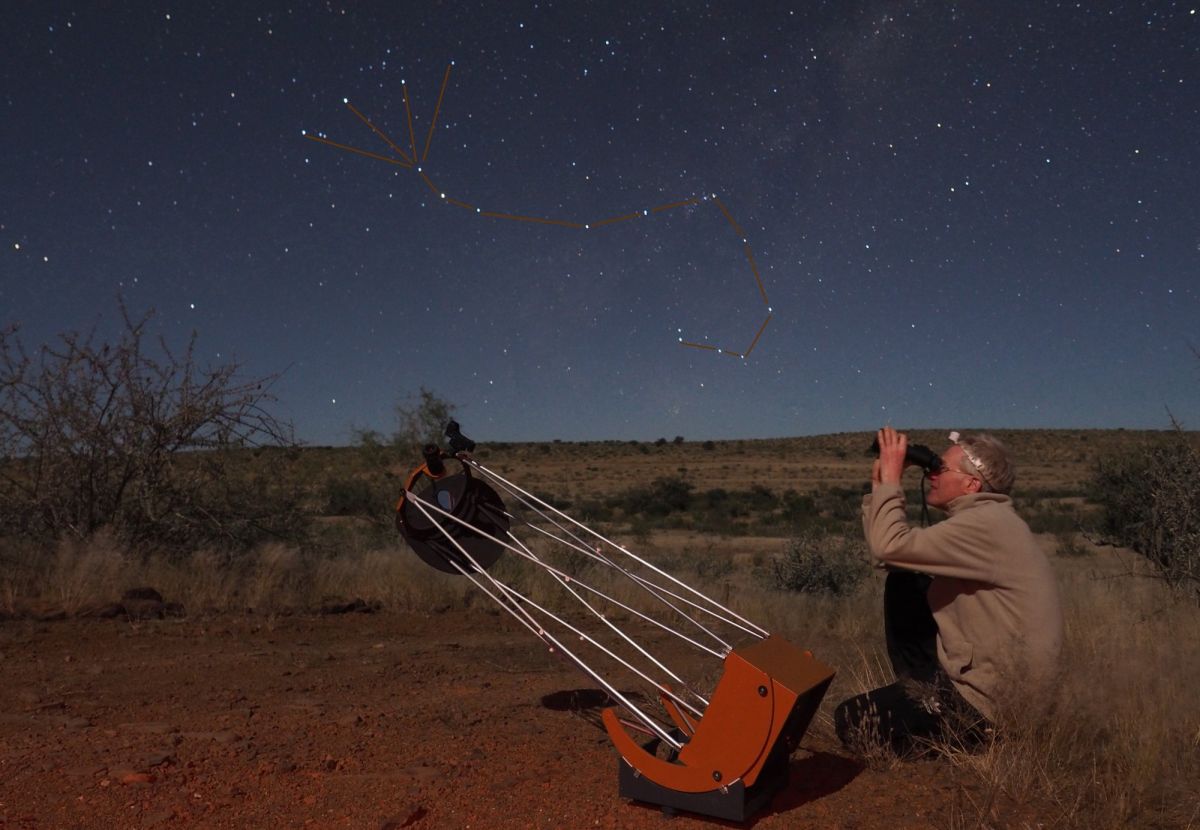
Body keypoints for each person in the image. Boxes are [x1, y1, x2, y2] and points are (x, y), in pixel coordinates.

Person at [834, 427, 1063, 757]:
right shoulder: (991, 520)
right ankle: (921, 694)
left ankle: (976, 742)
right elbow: (890, 557)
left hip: (992, 706)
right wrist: (880, 484)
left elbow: (887, 547)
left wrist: (891, 483)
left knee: (853, 721)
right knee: (905, 582)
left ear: (972, 485)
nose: (932, 475)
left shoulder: (987, 525)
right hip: (994, 689)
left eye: (941, 469)